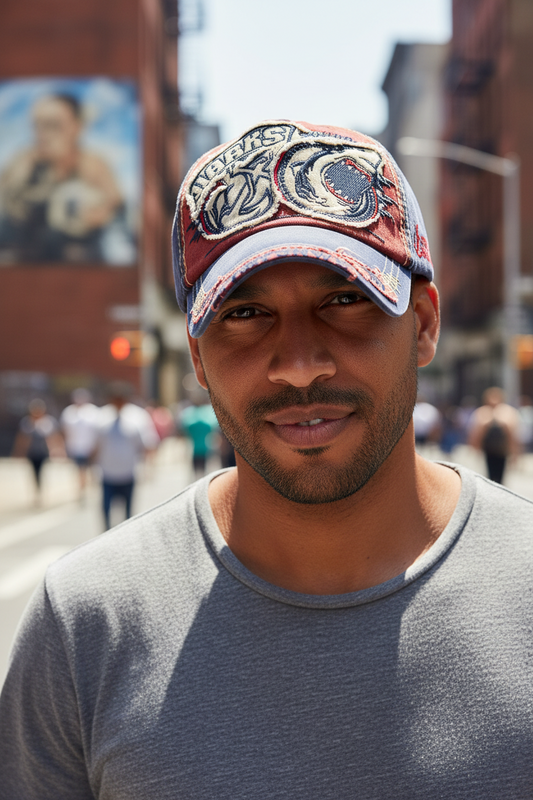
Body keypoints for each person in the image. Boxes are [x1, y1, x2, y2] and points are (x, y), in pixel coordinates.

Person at [1, 120, 533, 799]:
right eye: (245, 314)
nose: (298, 364)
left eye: (344, 300)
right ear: (197, 358)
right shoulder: (85, 622)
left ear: (423, 324)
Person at [0, 92, 123, 262]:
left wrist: (97, 214)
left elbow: (116, 209)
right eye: (37, 126)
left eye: (53, 125)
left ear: (77, 127)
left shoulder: (92, 166)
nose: (42, 134)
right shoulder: (22, 164)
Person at [94, 382, 159, 529]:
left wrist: (149, 468)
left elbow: (148, 444)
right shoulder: (102, 416)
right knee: (106, 511)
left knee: (128, 515)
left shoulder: (138, 416)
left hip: (128, 473)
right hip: (107, 473)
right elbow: (96, 445)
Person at [11, 398, 64, 505]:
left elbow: (53, 437)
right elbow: (22, 439)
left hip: (43, 452)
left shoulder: (48, 422)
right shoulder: (27, 423)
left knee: (41, 471)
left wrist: (57, 450)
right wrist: (19, 452)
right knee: (34, 472)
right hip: (32, 452)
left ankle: (40, 492)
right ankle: (36, 492)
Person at [468, 386, 520, 484]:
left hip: (502, 450)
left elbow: (513, 435)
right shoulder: (482, 412)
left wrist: (515, 453)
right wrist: (475, 449)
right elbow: (475, 433)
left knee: (500, 478)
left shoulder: (507, 412)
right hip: (488, 450)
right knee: (490, 477)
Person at [60, 388, 99, 499]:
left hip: (91, 447)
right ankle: (82, 491)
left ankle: (91, 488)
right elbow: (64, 430)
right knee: (80, 469)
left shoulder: (93, 411)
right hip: (75, 447)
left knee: (92, 470)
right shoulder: (68, 412)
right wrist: (63, 447)